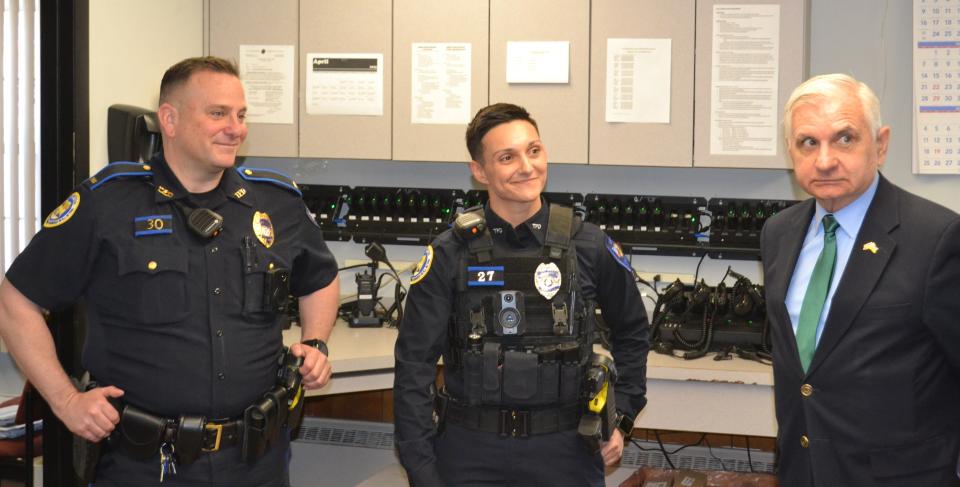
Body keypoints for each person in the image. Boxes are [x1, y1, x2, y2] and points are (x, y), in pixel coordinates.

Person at [0, 56, 340, 486]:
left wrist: (315, 342)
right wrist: (66, 401)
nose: (235, 127)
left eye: (240, 115)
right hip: (147, 464)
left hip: (256, 461)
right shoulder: (108, 204)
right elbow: (15, 302)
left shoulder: (275, 202)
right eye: (217, 113)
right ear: (170, 120)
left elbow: (321, 279)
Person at [394, 103, 649, 486]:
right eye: (507, 157)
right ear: (479, 171)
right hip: (469, 454)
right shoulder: (450, 252)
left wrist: (622, 418)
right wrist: (421, 467)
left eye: (534, 150)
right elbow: (414, 366)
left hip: (566, 453)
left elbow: (633, 331)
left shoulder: (589, 245)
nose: (527, 167)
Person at [761, 73, 960, 486]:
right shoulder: (778, 233)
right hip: (803, 472)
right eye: (808, 142)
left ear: (881, 145)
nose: (825, 160)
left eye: (845, 138)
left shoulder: (936, 237)